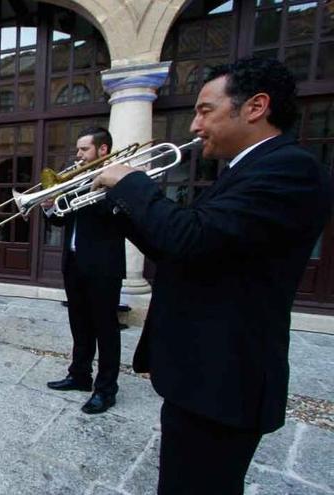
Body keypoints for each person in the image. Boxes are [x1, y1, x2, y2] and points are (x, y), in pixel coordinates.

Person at [92, 57, 332, 493]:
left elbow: (190, 236)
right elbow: (184, 250)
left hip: (226, 378)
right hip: (203, 373)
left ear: (255, 107)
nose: (194, 126)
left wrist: (132, 182)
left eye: (205, 110)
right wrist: (117, 209)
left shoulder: (289, 168)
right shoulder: (248, 169)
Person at [44, 127, 125, 415]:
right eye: (78, 150)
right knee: (79, 323)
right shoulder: (77, 177)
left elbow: (116, 217)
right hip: (75, 263)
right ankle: (80, 375)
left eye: (84, 150)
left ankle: (106, 390)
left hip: (104, 266)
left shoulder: (118, 179)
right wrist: (50, 205)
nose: (78, 155)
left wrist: (95, 187)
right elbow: (61, 221)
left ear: (102, 150)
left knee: (105, 328)